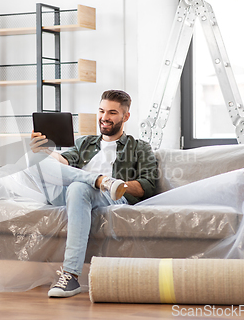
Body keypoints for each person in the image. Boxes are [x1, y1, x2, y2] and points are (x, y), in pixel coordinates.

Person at [29, 89, 158, 298]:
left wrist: (119, 186)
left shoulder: (139, 147)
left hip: (110, 196)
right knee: (36, 163)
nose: (104, 117)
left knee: (79, 187)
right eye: (101, 111)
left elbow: (148, 184)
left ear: (126, 116)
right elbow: (63, 162)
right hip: (72, 193)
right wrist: (45, 151)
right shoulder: (84, 143)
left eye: (112, 113)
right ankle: (98, 180)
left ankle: (70, 275)